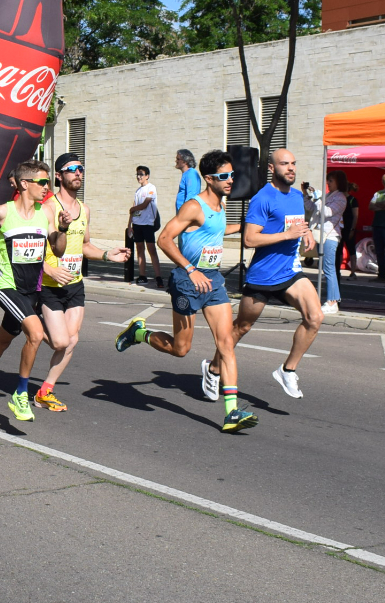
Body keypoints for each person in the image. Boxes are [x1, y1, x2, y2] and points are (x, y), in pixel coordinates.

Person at [115, 149, 251, 430]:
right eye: (224, 176)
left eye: (232, 175)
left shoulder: (221, 206)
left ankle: (232, 412)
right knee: (181, 349)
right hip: (187, 282)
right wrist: (190, 269)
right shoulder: (194, 206)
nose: (230, 181)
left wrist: (250, 227)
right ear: (209, 179)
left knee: (226, 343)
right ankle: (139, 332)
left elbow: (216, 230)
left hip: (213, 282)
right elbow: (165, 239)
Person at [0, 160, 63, 423]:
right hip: (8, 287)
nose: (47, 187)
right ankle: (20, 394)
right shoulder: (3, 212)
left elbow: (58, 249)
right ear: (25, 184)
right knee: (36, 334)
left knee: (2, 341)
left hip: (32, 290)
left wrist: (62, 228)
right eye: (42, 182)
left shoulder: (46, 213)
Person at [35, 153, 129, 411]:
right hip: (50, 286)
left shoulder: (84, 210)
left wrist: (107, 255)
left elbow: (86, 245)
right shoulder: (47, 208)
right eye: (71, 169)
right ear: (58, 176)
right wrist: (49, 270)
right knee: (60, 342)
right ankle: (30, 323)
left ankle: (45, 391)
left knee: (72, 340)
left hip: (75, 284)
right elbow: (30, 251)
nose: (78, 173)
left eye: (81, 168)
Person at [230, 148, 321, 401]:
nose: (291, 168)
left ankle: (287, 370)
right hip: (262, 276)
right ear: (272, 168)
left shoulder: (296, 196)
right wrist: (287, 235)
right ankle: (214, 368)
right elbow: (249, 239)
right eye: (284, 164)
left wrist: (306, 232)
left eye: (293, 163)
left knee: (315, 317)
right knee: (241, 327)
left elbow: (296, 223)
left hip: (290, 272)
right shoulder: (263, 198)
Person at [316, 171, 347, 313]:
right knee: (326, 268)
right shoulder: (328, 196)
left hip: (330, 236)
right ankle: (332, 299)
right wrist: (308, 197)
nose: (328, 183)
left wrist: (317, 200)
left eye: (331, 180)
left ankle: (332, 301)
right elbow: (312, 208)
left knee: (329, 268)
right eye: (328, 180)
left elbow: (327, 212)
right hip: (321, 235)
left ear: (339, 182)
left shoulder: (340, 197)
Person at [129, 165, 160, 284]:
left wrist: (133, 208)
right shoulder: (137, 191)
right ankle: (142, 275)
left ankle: (158, 276)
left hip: (148, 224)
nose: (139, 177)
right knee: (139, 249)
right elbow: (132, 210)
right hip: (137, 224)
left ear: (147, 176)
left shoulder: (151, 188)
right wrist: (129, 226)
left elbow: (144, 205)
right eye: (137, 174)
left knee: (151, 249)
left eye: (141, 174)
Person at [340, 182, 360, 277]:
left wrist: (352, 229)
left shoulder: (352, 200)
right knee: (339, 250)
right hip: (339, 228)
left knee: (351, 250)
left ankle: (353, 272)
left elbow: (355, 216)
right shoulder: (339, 199)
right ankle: (337, 270)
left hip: (349, 228)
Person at [174, 149, 201, 216]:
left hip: (186, 215)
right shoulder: (186, 174)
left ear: (185, 161)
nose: (176, 161)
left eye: (178, 159)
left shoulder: (191, 174)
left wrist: (185, 214)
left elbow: (191, 195)